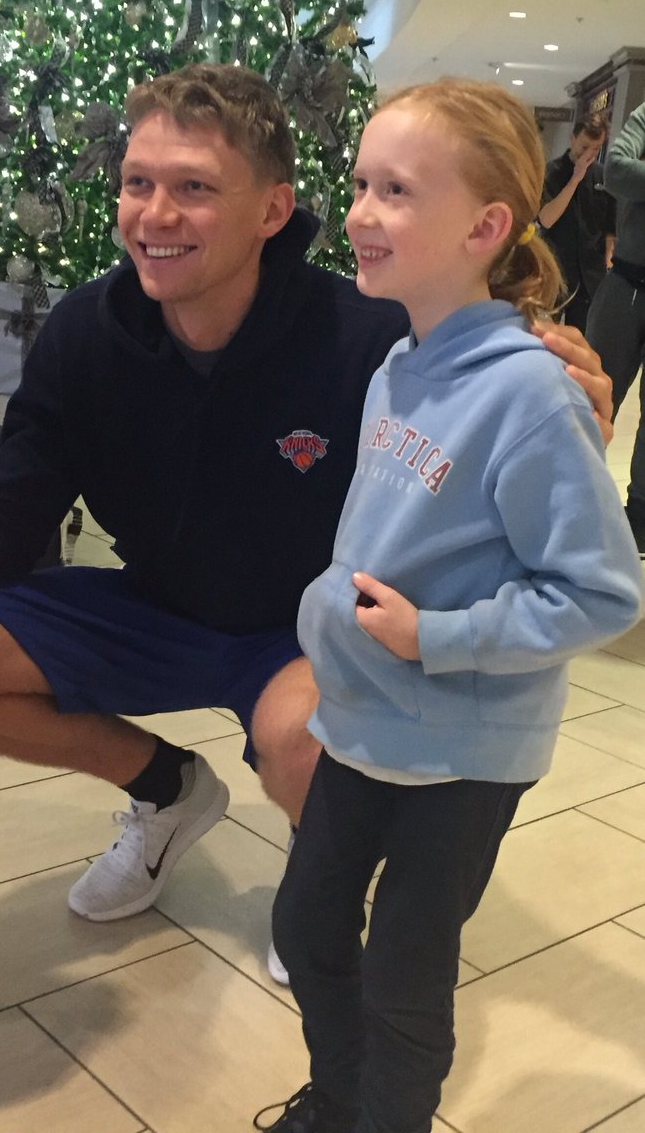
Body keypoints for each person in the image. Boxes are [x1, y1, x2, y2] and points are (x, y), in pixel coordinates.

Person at [0, 67, 612, 974]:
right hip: (152, 604)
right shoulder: (85, 333)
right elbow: (11, 511)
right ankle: (167, 793)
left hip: (303, 631)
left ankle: (320, 891)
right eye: (137, 183)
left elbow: (485, 420)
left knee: (304, 744)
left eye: (193, 189)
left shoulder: (374, 334)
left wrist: (553, 376)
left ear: (272, 211)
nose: (153, 213)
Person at [257, 79, 642, 1133]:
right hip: (364, 719)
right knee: (307, 924)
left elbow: (604, 591)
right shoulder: (400, 363)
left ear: (485, 227)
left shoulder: (529, 394)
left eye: (397, 192)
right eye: (363, 184)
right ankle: (340, 1101)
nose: (363, 214)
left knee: (403, 978)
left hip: (464, 752)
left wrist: (439, 638)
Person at [584, 101, 645, 551]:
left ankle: (640, 516)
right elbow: (617, 170)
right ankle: (569, 501)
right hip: (626, 281)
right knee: (590, 397)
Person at [538, 111, 615, 333]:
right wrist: (575, 179)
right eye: (584, 147)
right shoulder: (550, 172)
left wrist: (609, 261)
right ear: (572, 138)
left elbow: (611, 229)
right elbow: (546, 220)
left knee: (581, 343)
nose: (589, 155)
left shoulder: (603, 177)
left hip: (592, 276)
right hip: (556, 271)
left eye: (596, 149)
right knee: (546, 337)